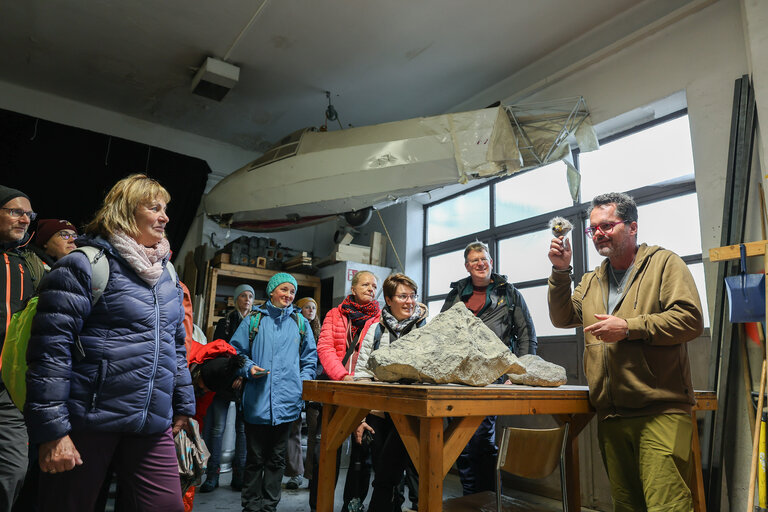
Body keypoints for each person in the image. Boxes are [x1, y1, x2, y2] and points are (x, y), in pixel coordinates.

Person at [24, 174, 196, 512]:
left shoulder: (168, 275)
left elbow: (176, 345)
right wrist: (53, 433)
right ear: (125, 211)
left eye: (166, 209)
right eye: (154, 208)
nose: (165, 217)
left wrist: (183, 404)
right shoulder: (84, 265)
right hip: (88, 421)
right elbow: (50, 354)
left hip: (152, 422)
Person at [547, 192, 704, 511]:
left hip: (659, 411)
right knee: (626, 506)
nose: (598, 234)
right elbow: (563, 317)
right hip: (611, 415)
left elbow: (690, 319)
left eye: (607, 225)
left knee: (668, 506)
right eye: (593, 229)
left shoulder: (663, 264)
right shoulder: (592, 280)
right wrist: (562, 272)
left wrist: (630, 327)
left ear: (632, 227)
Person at [440, 240, 537, 495]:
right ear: (467, 265)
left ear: (491, 262)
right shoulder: (458, 293)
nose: (480, 264)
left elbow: (526, 334)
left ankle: (488, 498)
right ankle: (473, 498)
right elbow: (441, 332)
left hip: (493, 377)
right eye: (474, 260)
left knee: (482, 439)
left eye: (484, 259)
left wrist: (520, 375)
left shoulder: (509, 293)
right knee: (459, 440)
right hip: (459, 377)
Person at [230, 272, 317, 512]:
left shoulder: (300, 323)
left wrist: (302, 382)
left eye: (292, 292)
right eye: (284, 290)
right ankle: (250, 507)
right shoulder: (254, 320)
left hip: (288, 402)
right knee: (255, 458)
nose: (288, 295)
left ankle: (269, 507)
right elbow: (236, 352)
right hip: (257, 401)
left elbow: (310, 359)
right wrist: (248, 368)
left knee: (277, 459)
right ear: (272, 291)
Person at [354, 273, 426, 512]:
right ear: (388, 299)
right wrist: (361, 417)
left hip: (410, 413)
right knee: (385, 473)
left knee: (387, 475)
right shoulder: (375, 329)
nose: (409, 301)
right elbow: (362, 373)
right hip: (379, 413)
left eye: (412, 296)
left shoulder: (425, 329)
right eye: (402, 296)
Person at [314, 270, 381, 512]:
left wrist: (362, 381)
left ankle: (352, 506)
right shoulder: (335, 314)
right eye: (365, 284)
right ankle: (318, 504)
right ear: (353, 288)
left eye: (374, 286)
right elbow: (325, 348)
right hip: (336, 391)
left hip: (366, 393)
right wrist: (343, 376)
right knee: (324, 453)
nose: (371, 289)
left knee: (362, 455)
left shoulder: (380, 319)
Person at [0, 185, 44, 510]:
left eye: (28, 214)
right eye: (16, 211)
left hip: (9, 389)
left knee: (14, 470)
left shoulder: (31, 266)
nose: (25, 219)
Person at [200, 283, 254, 492]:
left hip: (245, 382)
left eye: (250, 296)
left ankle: (239, 475)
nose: (247, 299)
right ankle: (212, 476)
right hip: (224, 381)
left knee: (242, 429)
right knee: (217, 428)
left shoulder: (256, 323)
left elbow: (254, 352)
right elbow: (218, 352)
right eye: (243, 295)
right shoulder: (225, 323)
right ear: (235, 299)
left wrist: (242, 374)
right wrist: (233, 372)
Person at [296, 297, 322, 491]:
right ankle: (294, 473)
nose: (311, 310)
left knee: (314, 431)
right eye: (307, 307)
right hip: (294, 384)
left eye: (314, 307)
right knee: (292, 431)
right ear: (299, 309)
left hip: (315, 387)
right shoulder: (293, 328)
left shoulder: (321, 333)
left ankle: (311, 475)